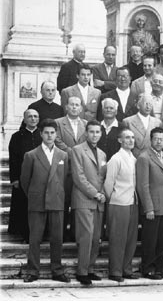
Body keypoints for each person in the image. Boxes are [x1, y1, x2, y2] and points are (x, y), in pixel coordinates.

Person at [20, 119, 69, 283]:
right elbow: (25, 181)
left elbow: (65, 179)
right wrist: (35, 195)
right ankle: (33, 271)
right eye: (46, 132)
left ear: (56, 134)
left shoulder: (63, 155)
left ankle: (58, 270)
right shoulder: (31, 155)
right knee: (35, 238)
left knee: (57, 238)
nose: (49, 135)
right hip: (37, 202)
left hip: (56, 200)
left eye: (52, 132)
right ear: (41, 134)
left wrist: (58, 194)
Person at [71, 120, 107, 286]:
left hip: (99, 201)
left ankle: (90, 269)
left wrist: (103, 194)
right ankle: (82, 271)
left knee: (96, 237)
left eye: (97, 132)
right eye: (91, 132)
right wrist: (95, 194)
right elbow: (79, 177)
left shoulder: (102, 154)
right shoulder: (77, 150)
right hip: (84, 199)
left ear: (101, 134)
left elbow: (103, 177)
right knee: (86, 236)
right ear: (86, 133)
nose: (94, 135)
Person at [104, 127, 139, 282]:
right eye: (127, 137)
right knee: (118, 238)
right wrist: (114, 199)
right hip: (118, 203)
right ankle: (115, 271)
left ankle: (126, 269)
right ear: (120, 140)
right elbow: (108, 184)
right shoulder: (116, 159)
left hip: (132, 202)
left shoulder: (134, 158)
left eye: (132, 137)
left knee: (131, 239)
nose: (131, 140)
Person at [136, 127, 163, 279]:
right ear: (151, 140)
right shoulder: (144, 157)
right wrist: (148, 208)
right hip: (152, 207)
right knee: (150, 240)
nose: (159, 142)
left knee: (162, 240)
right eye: (156, 139)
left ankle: (159, 268)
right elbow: (143, 185)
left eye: (161, 139)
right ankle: (148, 268)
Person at [55, 96, 88, 241]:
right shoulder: (58, 123)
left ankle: (75, 233)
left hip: (81, 169)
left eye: (77, 105)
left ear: (81, 108)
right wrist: (71, 152)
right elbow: (56, 140)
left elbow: (89, 142)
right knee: (63, 202)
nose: (74, 107)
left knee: (78, 203)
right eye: (72, 105)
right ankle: (60, 234)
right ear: (67, 107)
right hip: (64, 169)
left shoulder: (86, 124)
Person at [8, 109, 41, 242]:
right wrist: (15, 179)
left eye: (35, 116)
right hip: (23, 178)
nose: (33, 119)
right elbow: (13, 159)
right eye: (30, 116)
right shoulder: (16, 136)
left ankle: (39, 234)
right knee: (23, 206)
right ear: (25, 119)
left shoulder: (43, 135)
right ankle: (24, 234)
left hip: (40, 178)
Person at [122, 94, 162, 158]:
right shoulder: (128, 122)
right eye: (146, 104)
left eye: (150, 104)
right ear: (138, 106)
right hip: (134, 158)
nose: (148, 107)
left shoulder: (157, 122)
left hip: (152, 158)